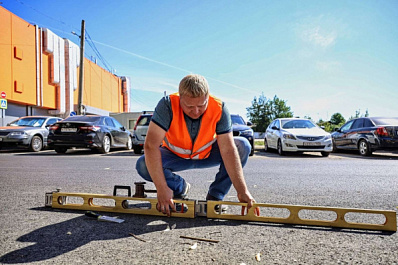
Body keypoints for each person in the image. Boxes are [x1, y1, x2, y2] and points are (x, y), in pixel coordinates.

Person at [135, 74, 255, 216]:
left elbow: (228, 149)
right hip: (175, 156)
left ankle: (215, 197)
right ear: (180, 98)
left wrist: (242, 190)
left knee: (243, 146)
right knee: (143, 164)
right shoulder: (167, 105)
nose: (196, 111)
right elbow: (150, 146)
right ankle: (178, 188)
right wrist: (162, 188)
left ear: (207, 97)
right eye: (189, 106)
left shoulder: (219, 107)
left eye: (201, 105)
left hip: (207, 154)